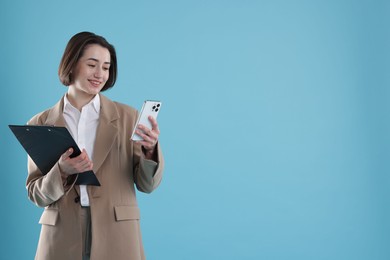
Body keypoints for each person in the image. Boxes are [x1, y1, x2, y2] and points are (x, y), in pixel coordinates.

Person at [26, 31, 164, 260]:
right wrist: (62, 171)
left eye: (106, 67)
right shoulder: (40, 123)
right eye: (92, 64)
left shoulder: (128, 118)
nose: (100, 74)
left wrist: (150, 150)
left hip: (117, 233)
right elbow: (36, 194)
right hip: (61, 235)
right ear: (71, 64)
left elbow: (147, 185)